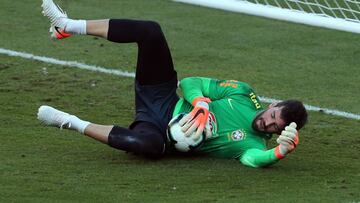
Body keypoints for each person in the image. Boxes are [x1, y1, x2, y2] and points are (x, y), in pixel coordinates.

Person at [38, 0, 308, 168]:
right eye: (272, 116)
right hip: (164, 96)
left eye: (275, 127)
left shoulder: (256, 145)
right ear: (274, 104)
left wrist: (279, 152)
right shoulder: (244, 94)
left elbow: (252, 160)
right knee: (151, 32)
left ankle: (68, 121)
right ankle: (67, 24)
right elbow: (191, 82)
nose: (267, 124)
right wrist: (200, 103)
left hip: (159, 131)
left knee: (148, 148)